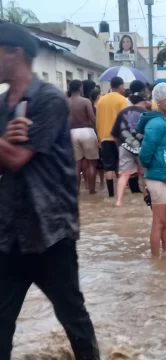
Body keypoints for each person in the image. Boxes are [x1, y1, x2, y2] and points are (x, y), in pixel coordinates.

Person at [0, 22, 99, 360]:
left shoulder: (49, 100)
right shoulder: (1, 106)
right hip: (9, 232)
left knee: (72, 316)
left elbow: (15, 158)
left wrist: (4, 146)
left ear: (15, 53)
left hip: (50, 232)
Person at [137, 83, 166, 256]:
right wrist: (155, 167)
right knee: (159, 221)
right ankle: (156, 260)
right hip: (157, 177)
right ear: (158, 101)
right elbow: (144, 154)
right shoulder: (155, 123)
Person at [111, 80, 149, 207]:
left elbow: (114, 133)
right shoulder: (146, 114)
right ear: (143, 101)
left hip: (124, 146)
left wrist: (120, 145)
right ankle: (147, 198)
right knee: (145, 174)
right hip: (142, 148)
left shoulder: (122, 112)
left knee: (123, 175)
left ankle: (119, 201)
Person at [96, 76, 128, 197]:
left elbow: (98, 120)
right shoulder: (122, 100)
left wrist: (99, 137)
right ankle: (121, 193)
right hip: (119, 137)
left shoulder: (101, 100)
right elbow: (125, 120)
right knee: (122, 165)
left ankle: (111, 195)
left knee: (108, 166)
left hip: (104, 136)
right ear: (120, 86)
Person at [68, 80, 98, 194]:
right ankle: (92, 190)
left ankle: (77, 191)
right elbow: (92, 118)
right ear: (80, 88)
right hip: (87, 131)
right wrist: (97, 131)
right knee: (91, 163)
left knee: (77, 164)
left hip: (72, 132)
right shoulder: (85, 101)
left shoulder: (66, 102)